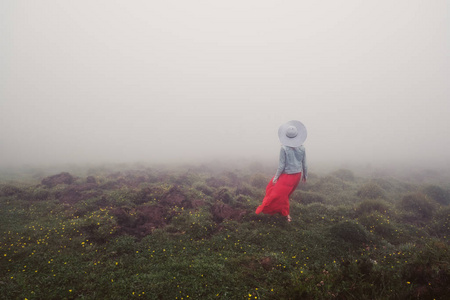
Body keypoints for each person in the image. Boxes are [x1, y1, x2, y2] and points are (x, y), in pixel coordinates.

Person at [255, 120, 308, 222]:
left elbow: (281, 165)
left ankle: (286, 215)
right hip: (297, 175)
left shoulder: (284, 148)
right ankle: (283, 212)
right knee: (283, 194)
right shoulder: (302, 148)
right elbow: (304, 163)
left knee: (276, 193)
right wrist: (305, 175)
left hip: (287, 175)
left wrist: (276, 177)